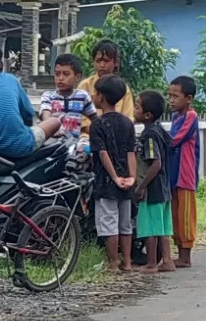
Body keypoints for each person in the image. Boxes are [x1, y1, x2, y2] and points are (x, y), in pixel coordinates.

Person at [0, 43, 59, 158]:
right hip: (21, 146)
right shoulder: (11, 80)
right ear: (1, 64)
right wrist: (25, 128)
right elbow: (28, 113)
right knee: (54, 121)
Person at [88, 75, 137, 272]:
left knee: (109, 224)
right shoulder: (127, 123)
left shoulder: (97, 124)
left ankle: (112, 263)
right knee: (125, 224)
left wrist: (114, 177)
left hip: (107, 183)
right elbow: (131, 152)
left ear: (102, 97)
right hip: (126, 180)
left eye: (96, 93)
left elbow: (102, 153)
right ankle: (127, 262)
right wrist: (131, 177)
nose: (93, 96)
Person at [133, 90, 175, 274]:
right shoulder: (160, 131)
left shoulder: (149, 135)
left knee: (149, 227)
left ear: (147, 114)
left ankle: (151, 263)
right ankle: (167, 260)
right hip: (164, 186)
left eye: (136, 106)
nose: (134, 109)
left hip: (152, 188)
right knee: (163, 227)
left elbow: (155, 163)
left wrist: (141, 186)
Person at [167, 75, 201, 268]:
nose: (171, 100)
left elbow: (175, 139)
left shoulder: (191, 116)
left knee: (185, 214)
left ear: (188, 98)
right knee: (175, 212)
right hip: (174, 170)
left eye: (175, 96)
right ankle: (179, 249)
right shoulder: (175, 116)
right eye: (169, 95)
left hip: (185, 173)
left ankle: (186, 254)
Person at [76, 40, 136, 120]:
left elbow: (128, 118)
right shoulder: (84, 85)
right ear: (93, 62)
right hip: (89, 131)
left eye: (106, 61)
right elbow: (78, 115)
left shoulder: (123, 88)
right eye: (98, 61)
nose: (102, 65)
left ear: (116, 62)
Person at [39, 54, 91, 143]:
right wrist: (51, 127)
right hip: (53, 142)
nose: (61, 78)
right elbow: (45, 112)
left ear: (77, 77)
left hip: (76, 143)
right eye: (57, 74)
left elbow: (93, 118)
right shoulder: (48, 96)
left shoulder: (83, 97)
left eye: (66, 74)